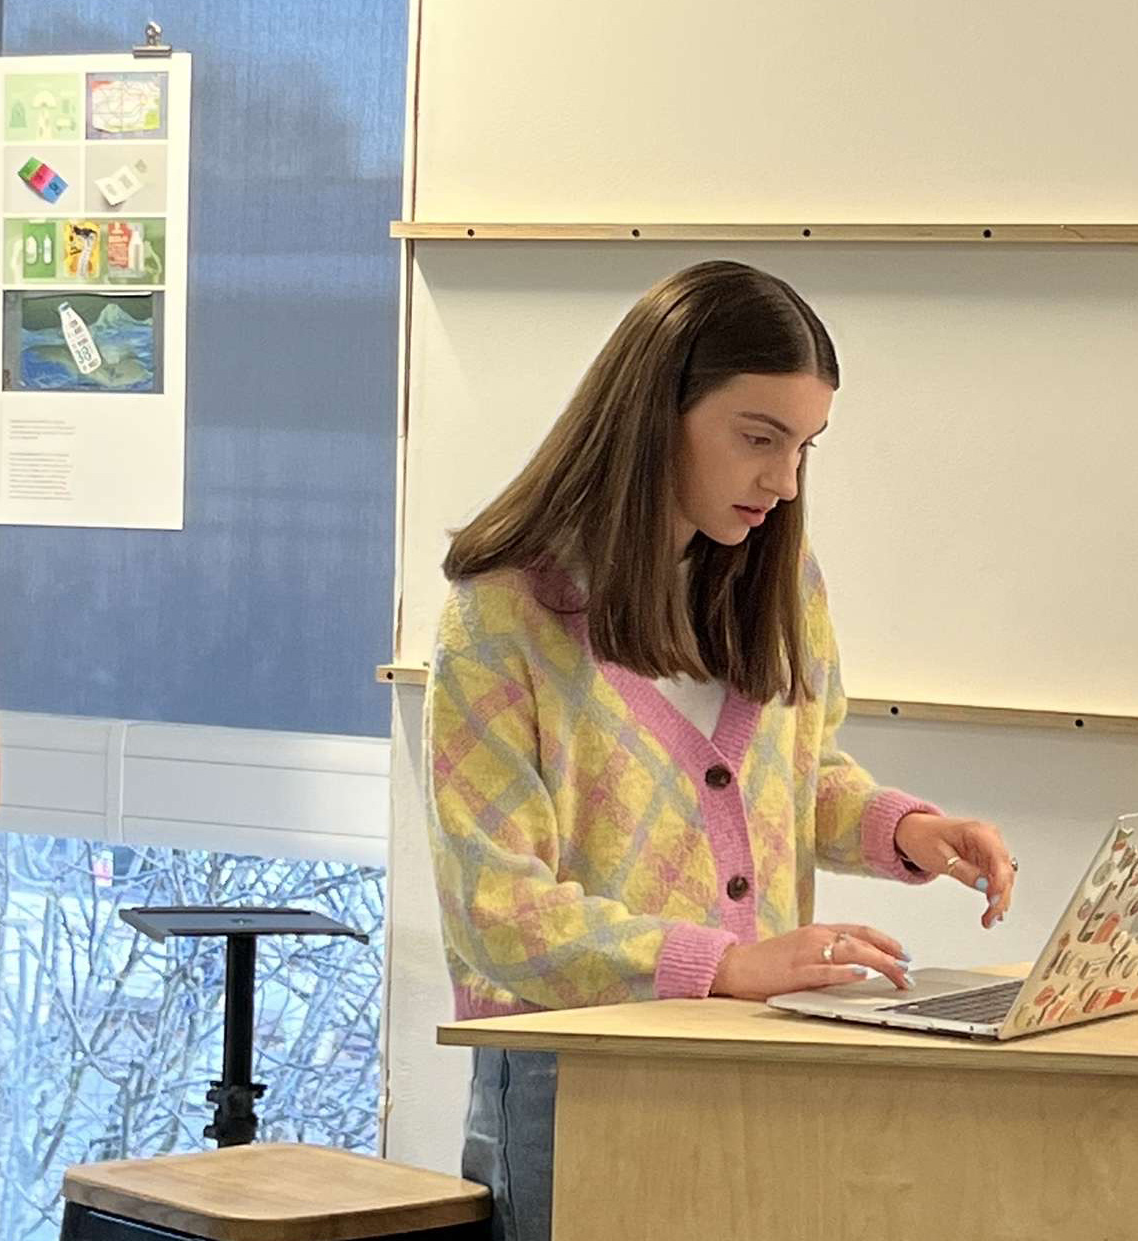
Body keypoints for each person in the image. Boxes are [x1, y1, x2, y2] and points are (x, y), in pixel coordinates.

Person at [423, 260, 1020, 1241]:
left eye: (804, 448)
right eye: (758, 439)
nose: (783, 483)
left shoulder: (780, 580)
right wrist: (728, 963)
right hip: (577, 1096)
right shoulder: (502, 617)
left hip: (760, 1079)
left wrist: (906, 828)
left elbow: (796, 775)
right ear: (658, 410)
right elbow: (501, 916)